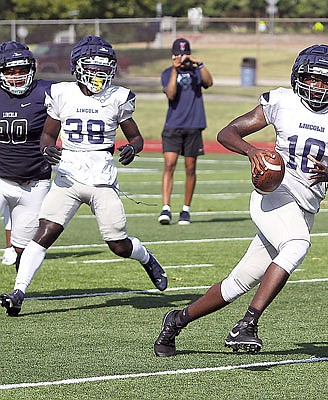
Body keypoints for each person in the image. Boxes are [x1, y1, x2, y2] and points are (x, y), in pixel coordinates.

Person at [154, 44, 328, 356]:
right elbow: (227, 133)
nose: (318, 87)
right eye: (312, 78)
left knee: (238, 282)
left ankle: (176, 321)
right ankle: (247, 325)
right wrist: (252, 151)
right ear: (299, 77)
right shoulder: (282, 101)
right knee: (298, 244)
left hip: (304, 206)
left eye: (326, 81)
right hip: (274, 193)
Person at [0, 36, 167, 317]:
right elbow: (49, 134)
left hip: (101, 180)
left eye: (104, 69)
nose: (98, 75)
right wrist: (47, 149)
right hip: (67, 178)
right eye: (92, 68)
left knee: (118, 244)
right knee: (43, 235)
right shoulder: (63, 93)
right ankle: (18, 292)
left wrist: (132, 148)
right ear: (78, 67)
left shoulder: (118, 97)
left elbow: (136, 137)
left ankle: (146, 257)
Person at [0, 41, 53, 271]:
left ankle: (17, 290)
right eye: (10, 71)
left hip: (34, 181)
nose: (16, 76)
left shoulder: (47, 92)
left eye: (21, 70)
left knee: (22, 249)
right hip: (1, 178)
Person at [158, 38, 213, 225]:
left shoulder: (197, 72)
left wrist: (200, 63)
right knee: (169, 164)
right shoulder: (167, 73)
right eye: (178, 54)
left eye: (185, 53)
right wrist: (175, 68)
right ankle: (166, 208)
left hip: (194, 125)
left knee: (190, 168)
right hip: (173, 125)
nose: (182, 57)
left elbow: (209, 82)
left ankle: (185, 210)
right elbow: (171, 93)